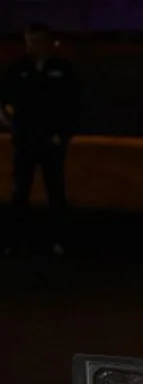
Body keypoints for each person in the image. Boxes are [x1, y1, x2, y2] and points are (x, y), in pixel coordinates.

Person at [1, 22, 79, 256]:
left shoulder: (63, 69)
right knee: (20, 192)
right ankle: (15, 242)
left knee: (55, 191)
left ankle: (58, 240)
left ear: (47, 42)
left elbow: (73, 106)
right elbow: (4, 101)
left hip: (51, 141)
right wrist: (12, 126)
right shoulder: (18, 68)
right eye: (28, 41)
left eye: (35, 41)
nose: (30, 45)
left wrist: (61, 135)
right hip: (25, 140)